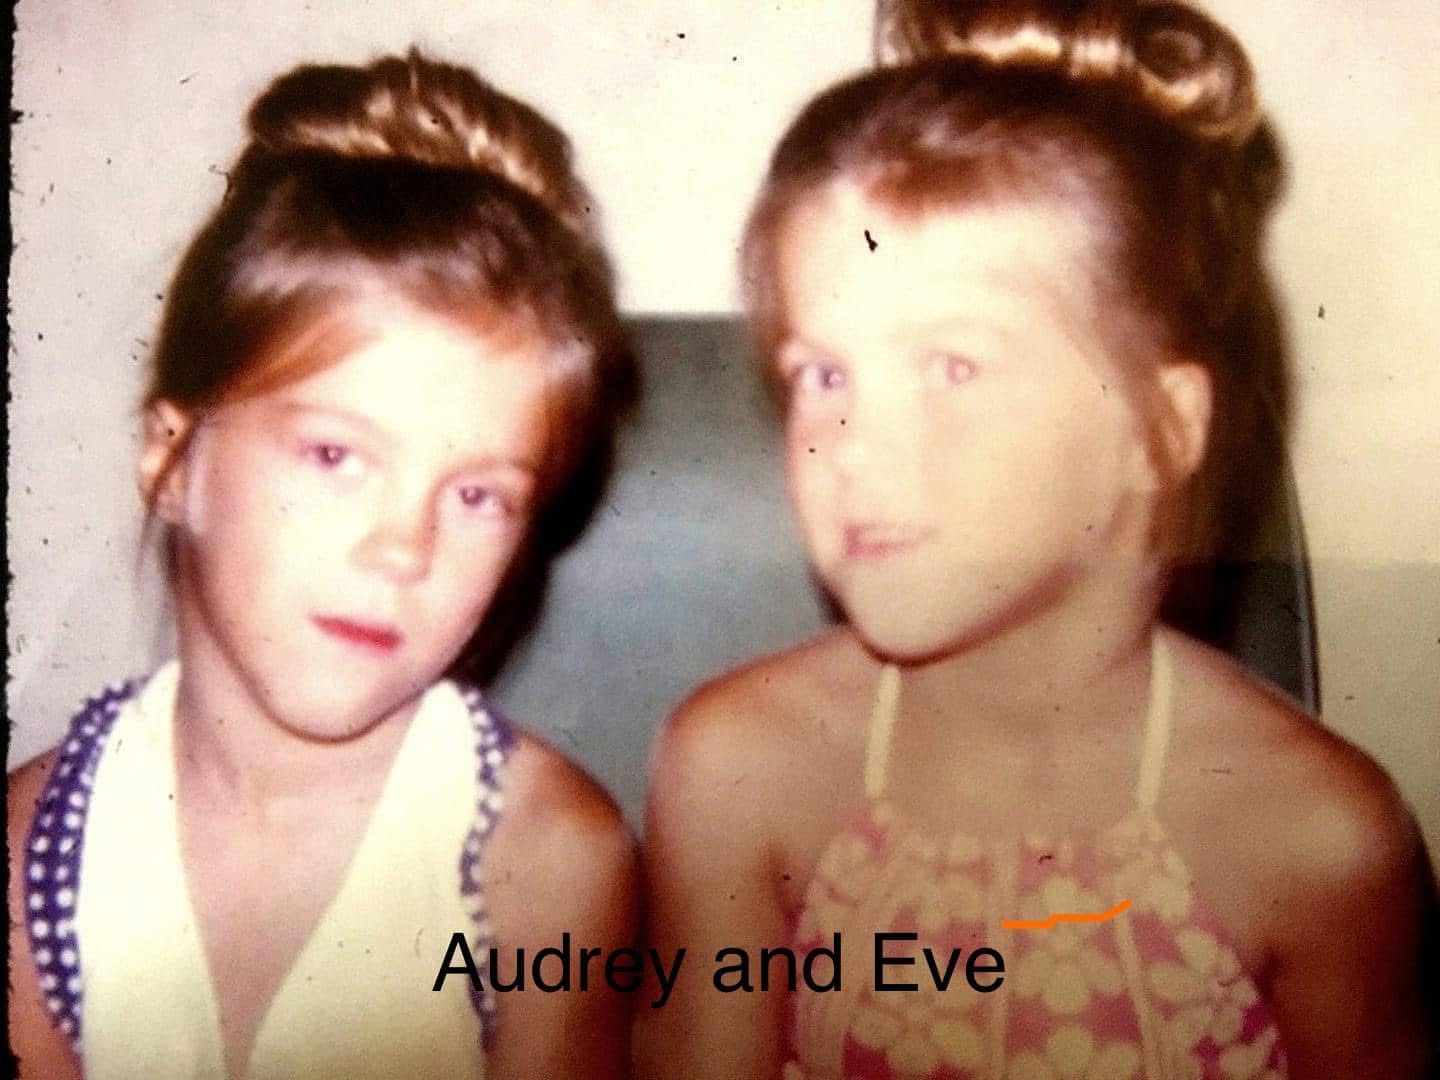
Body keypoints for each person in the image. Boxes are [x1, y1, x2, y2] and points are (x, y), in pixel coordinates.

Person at [639, 2, 1432, 1077]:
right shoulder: (741, 768)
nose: (855, 446)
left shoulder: (1316, 835)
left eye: (953, 367)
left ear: (1157, 431)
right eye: (823, 374)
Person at [7, 50, 638, 1080]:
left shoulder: (541, 860)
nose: (404, 548)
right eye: (337, 456)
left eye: (477, 496)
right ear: (172, 461)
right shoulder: (34, 847)